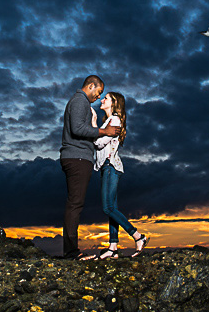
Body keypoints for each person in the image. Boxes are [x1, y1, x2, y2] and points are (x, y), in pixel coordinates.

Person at [60, 75, 120, 259]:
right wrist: (104, 131)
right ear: (91, 86)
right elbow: (77, 128)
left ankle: (71, 250)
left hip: (78, 157)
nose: (98, 97)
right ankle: (71, 252)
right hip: (77, 157)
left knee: (75, 203)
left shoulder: (82, 103)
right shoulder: (79, 101)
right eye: (99, 92)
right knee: (75, 204)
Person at [92, 91, 148, 258]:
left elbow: (98, 143)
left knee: (107, 207)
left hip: (110, 167)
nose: (102, 100)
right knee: (112, 209)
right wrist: (99, 129)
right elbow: (100, 140)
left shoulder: (114, 120)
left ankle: (138, 236)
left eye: (106, 98)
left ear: (114, 103)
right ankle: (113, 248)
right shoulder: (108, 122)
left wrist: (94, 124)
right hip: (106, 167)